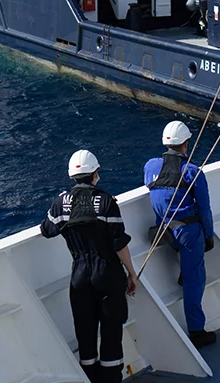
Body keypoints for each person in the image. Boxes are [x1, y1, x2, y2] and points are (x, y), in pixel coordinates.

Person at [41, 150, 139, 383]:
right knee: (111, 332)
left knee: (85, 334)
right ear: (95, 173)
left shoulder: (60, 203)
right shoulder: (106, 202)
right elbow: (119, 243)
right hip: (108, 274)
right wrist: (132, 274)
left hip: (79, 276)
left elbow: (47, 230)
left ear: (72, 176)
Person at [144, 121, 217, 348]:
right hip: (187, 231)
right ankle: (197, 332)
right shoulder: (193, 171)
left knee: (188, 262)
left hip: (164, 232)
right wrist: (209, 235)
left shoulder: (150, 166)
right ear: (186, 144)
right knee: (196, 279)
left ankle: (185, 271)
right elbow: (204, 208)